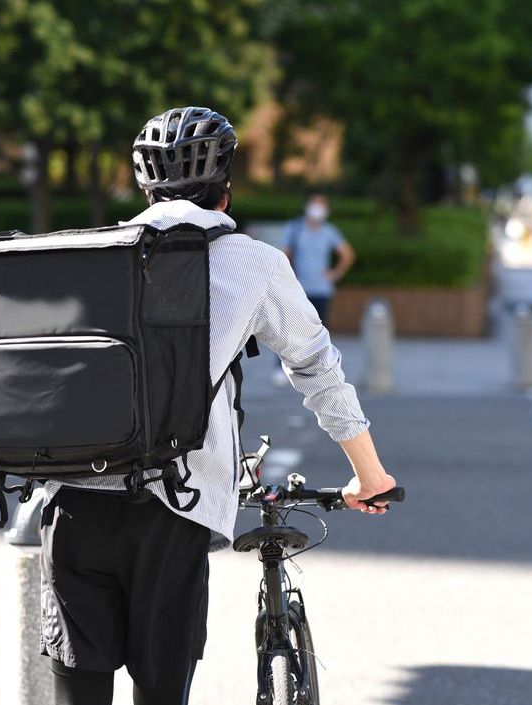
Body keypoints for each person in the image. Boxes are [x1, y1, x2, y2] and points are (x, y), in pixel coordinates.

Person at [37, 106, 397, 705]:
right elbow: (316, 368)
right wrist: (369, 472)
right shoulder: (254, 262)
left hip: (73, 500)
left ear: (146, 191)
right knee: (161, 689)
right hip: (175, 504)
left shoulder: (95, 252)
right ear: (224, 194)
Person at [281, 193, 357, 326]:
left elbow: (348, 254)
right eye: (315, 203)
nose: (318, 208)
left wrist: (336, 273)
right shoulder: (294, 228)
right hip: (299, 289)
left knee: (320, 329)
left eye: (322, 205)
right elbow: (284, 255)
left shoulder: (329, 231)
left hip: (321, 290)